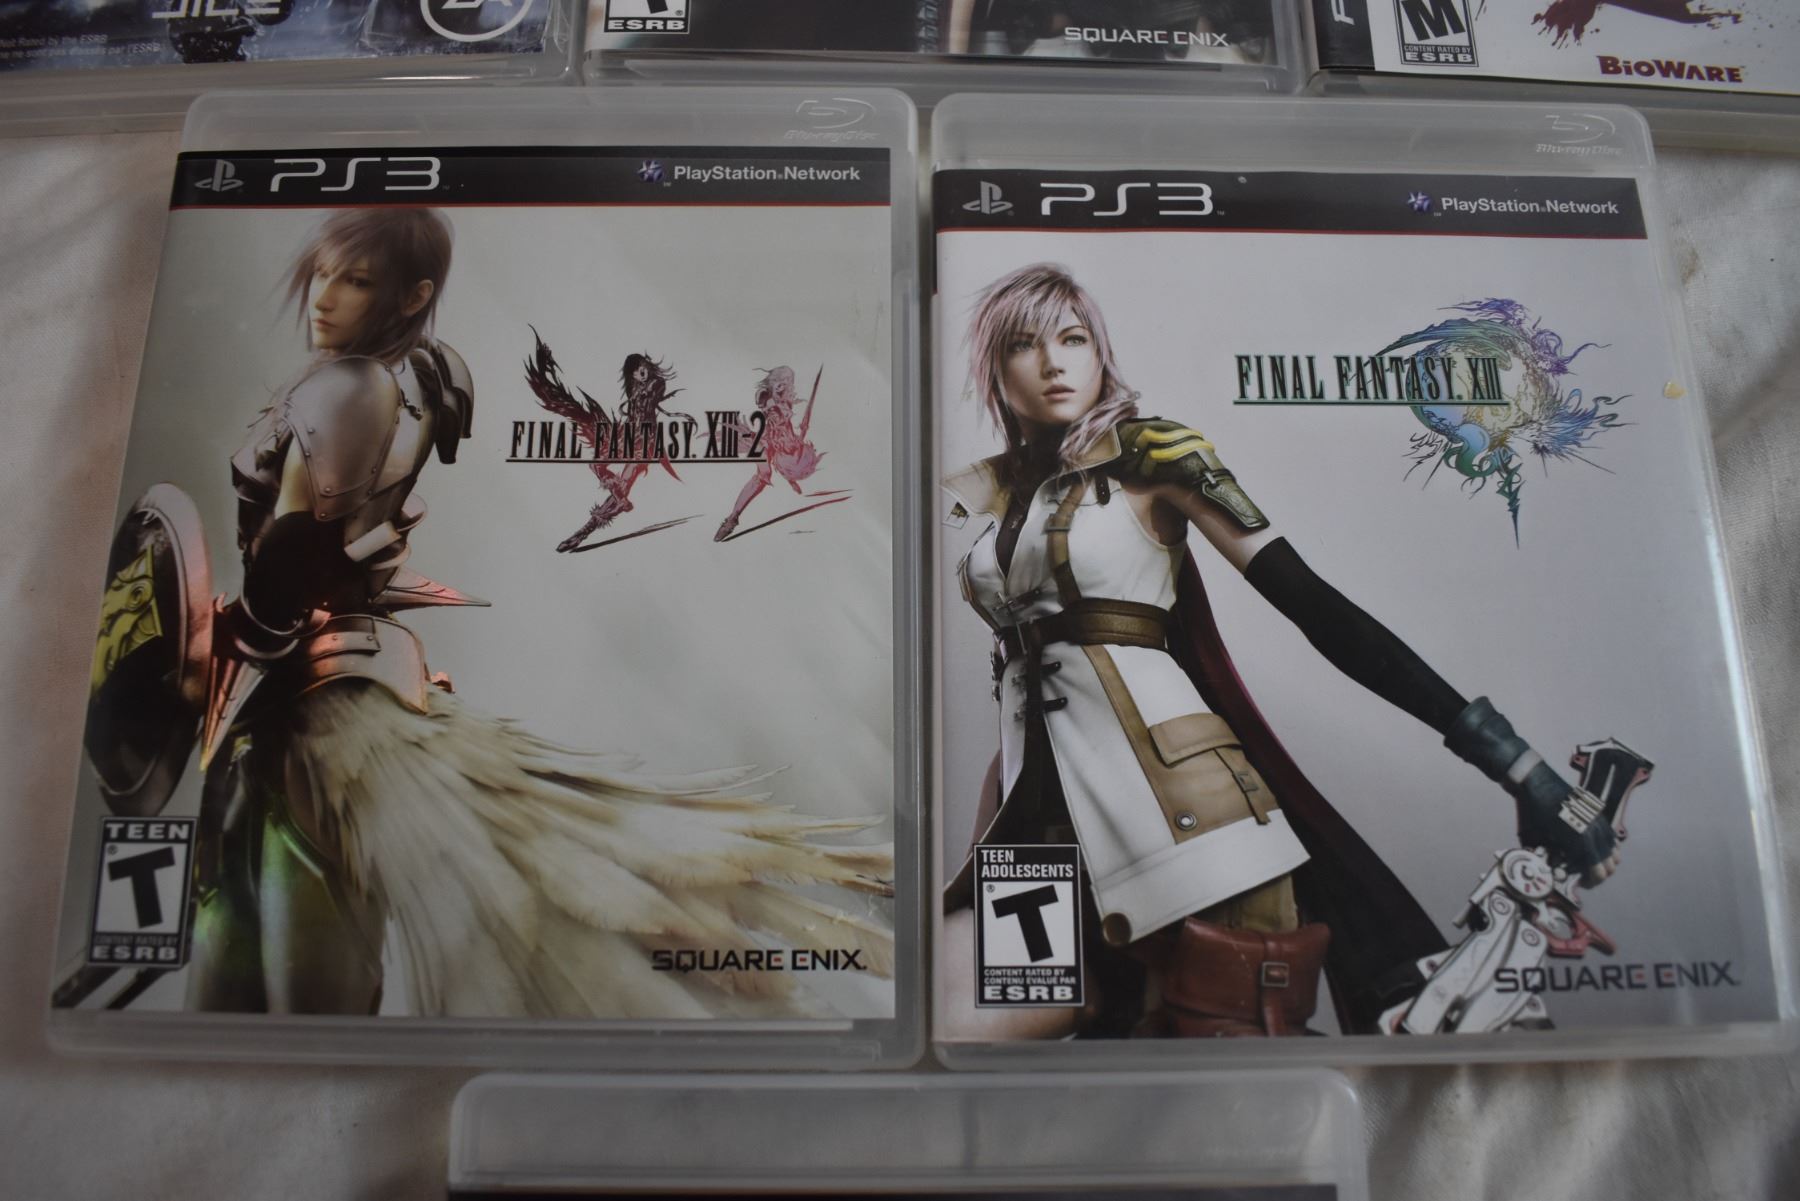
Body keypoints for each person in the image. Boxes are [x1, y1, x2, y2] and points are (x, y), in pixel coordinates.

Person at [180, 208, 892, 1018]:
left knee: (271, 961)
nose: (325, 296)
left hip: (313, 703)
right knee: (264, 947)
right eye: (323, 274)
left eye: (357, 280)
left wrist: (218, 655)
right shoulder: (413, 384)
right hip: (333, 696)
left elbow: (290, 559)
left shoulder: (348, 388)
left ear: (412, 296)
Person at [940, 263, 1617, 1037]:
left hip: (1192, 826)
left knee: (1209, 1067)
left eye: (1073, 339)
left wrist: (1516, 763)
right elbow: (1027, 691)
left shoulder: (1152, 459)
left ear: (1101, 353)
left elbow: (1317, 608)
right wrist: (989, 837)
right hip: (1041, 838)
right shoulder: (991, 502)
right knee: (958, 1025)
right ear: (994, 369)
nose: (1054, 362)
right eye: (1024, 345)